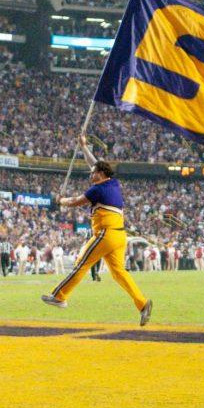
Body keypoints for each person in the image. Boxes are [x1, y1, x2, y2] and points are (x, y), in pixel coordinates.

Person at [42, 133, 153, 326]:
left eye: (92, 173)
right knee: (119, 273)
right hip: (120, 235)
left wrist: (60, 200)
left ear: (100, 174)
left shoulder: (96, 189)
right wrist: (84, 147)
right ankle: (142, 304)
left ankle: (59, 296)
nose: (90, 175)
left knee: (81, 263)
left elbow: (76, 201)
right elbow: (94, 163)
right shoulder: (113, 182)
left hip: (106, 234)